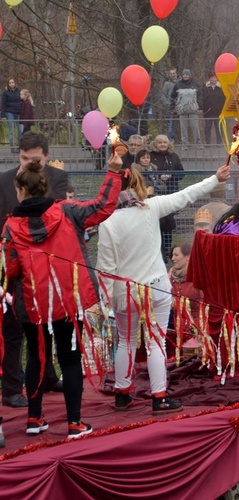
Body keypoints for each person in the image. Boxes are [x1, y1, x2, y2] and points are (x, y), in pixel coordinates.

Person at [2, 151, 123, 438]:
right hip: (69, 302)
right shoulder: (67, 211)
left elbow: (11, 270)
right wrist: (113, 173)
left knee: (35, 357)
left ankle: (34, 418)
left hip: (33, 305)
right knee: (69, 359)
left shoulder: (10, 227)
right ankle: (74, 422)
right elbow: (102, 207)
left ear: (21, 191)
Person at [97, 161, 230, 414]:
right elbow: (185, 195)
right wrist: (214, 179)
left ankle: (122, 394)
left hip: (126, 293)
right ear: (136, 184)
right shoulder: (151, 207)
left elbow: (106, 267)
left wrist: (107, 300)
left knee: (126, 341)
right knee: (155, 342)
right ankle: (159, 397)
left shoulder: (108, 222)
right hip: (156, 287)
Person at [0, 132, 68, 408]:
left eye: (35, 159)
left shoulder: (58, 179)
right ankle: (12, 388)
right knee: (13, 328)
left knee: (46, 324)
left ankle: (48, 376)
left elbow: (57, 216)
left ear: (47, 156)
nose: (29, 164)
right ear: (19, 156)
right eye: (25, 158)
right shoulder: (3, 181)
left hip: (45, 264)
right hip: (10, 264)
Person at [150, 134, 185, 261]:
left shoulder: (173, 156)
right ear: (155, 144)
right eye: (160, 142)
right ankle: (159, 251)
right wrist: (159, 176)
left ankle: (167, 250)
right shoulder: (151, 156)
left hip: (171, 193)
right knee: (158, 223)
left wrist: (171, 175)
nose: (163, 145)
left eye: (165, 142)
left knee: (169, 223)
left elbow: (182, 173)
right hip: (156, 194)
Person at [171, 69, 202, 147]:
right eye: (184, 74)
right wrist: (173, 106)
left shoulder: (195, 84)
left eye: (187, 74)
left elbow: (200, 95)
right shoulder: (178, 84)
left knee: (195, 127)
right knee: (183, 128)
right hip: (182, 110)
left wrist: (199, 104)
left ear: (189, 75)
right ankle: (184, 144)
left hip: (193, 109)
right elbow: (173, 96)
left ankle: (198, 143)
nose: (185, 76)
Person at [202, 74, 225, 144]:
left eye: (214, 78)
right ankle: (208, 142)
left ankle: (219, 142)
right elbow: (202, 100)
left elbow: (224, 100)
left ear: (217, 79)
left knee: (218, 128)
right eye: (211, 78)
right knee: (207, 128)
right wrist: (204, 108)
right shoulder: (205, 89)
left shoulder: (221, 89)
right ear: (209, 79)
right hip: (208, 112)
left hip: (218, 112)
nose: (213, 79)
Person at [1, 77, 23, 152]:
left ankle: (20, 146)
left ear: (15, 83)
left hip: (18, 112)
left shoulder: (19, 91)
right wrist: (3, 115)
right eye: (10, 83)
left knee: (20, 129)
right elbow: (3, 104)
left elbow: (22, 101)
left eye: (12, 82)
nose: (11, 84)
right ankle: (12, 147)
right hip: (9, 112)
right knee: (11, 130)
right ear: (8, 84)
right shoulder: (5, 92)